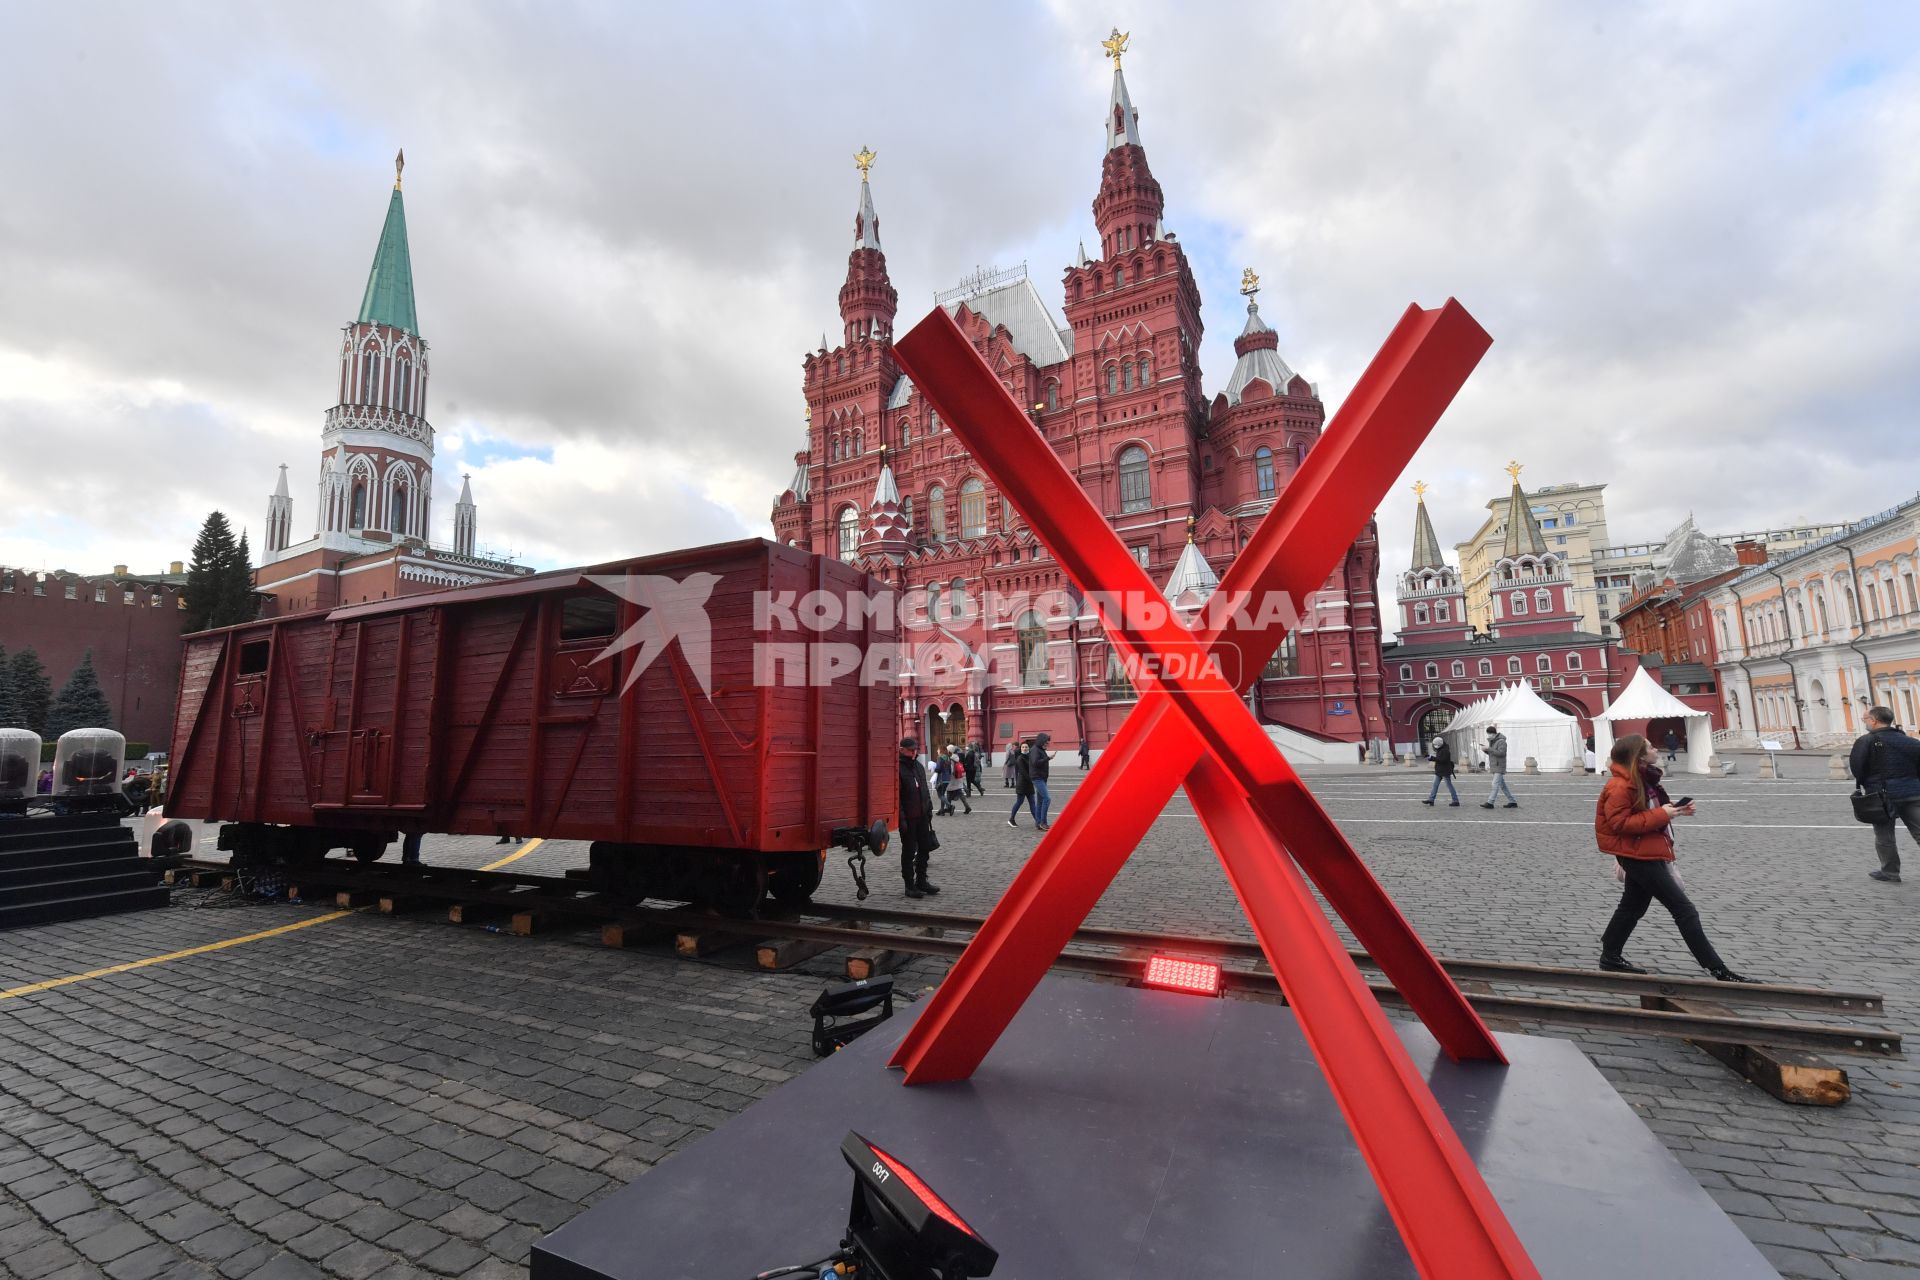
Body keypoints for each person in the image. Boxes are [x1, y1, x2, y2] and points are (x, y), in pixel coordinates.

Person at [1595, 734, 1753, 982]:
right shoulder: (1620, 785)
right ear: (1639, 755)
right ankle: (1717, 968)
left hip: (1645, 849)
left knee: (1632, 906)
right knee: (1684, 910)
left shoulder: (1643, 779)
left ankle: (1610, 955)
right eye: (1650, 746)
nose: (1655, 748)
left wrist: (1675, 811)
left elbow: (1650, 813)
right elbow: (1619, 823)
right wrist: (1662, 814)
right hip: (1638, 854)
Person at [1849, 705, 1920, 884]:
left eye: (1865, 719)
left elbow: (1857, 767)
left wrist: (1868, 783)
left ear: (1874, 720)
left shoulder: (1865, 741)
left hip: (1881, 795)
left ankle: (1890, 872)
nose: (1865, 722)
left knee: (1884, 835)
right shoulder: (1910, 741)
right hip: (1912, 791)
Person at [897, 736, 939, 898]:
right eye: (911, 750)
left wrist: (929, 809)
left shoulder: (919, 767)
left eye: (916, 749)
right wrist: (902, 819)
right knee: (908, 852)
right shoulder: (898, 768)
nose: (914, 752)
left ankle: (921, 880)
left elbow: (925, 790)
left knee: (925, 848)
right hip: (908, 818)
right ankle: (909, 885)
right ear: (902, 750)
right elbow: (897, 797)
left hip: (922, 815)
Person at [1479, 725, 1516, 809]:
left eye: (1489, 734)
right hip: (1495, 765)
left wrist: (1489, 749)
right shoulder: (1493, 741)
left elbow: (1501, 753)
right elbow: (1493, 753)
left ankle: (1490, 802)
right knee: (1503, 786)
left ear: (1493, 733)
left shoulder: (1501, 741)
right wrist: (1486, 750)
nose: (1488, 735)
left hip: (1499, 766)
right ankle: (1512, 801)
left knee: (1494, 784)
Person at [1007, 741, 1042, 828]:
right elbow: (1023, 772)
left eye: (1026, 747)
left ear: (1028, 748)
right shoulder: (1020, 758)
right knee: (1019, 802)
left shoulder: (1030, 757)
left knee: (1033, 804)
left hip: (1029, 784)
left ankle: (1038, 822)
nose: (1025, 748)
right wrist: (1033, 780)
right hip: (1022, 784)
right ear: (1021, 748)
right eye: (1023, 747)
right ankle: (1011, 819)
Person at [1421, 736, 1459, 807]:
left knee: (1449, 786)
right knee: (1435, 785)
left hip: (1444, 771)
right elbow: (1439, 759)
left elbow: (1442, 760)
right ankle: (1431, 799)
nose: (1435, 747)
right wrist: (1430, 757)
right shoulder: (1442, 749)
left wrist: (1431, 758)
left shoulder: (1445, 750)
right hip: (1439, 770)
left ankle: (1455, 800)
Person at [1030, 732, 1056, 829]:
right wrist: (1048, 758)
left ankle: (1038, 823)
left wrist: (1047, 758)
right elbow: (1035, 763)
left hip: (1041, 778)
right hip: (1038, 778)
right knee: (1047, 799)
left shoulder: (1039, 749)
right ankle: (1043, 822)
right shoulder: (1035, 750)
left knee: (1040, 801)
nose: (1047, 744)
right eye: (1046, 742)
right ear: (1041, 741)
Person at [945, 744, 972, 814]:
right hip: (958, 778)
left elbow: (951, 770)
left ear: (949, 751)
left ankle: (949, 807)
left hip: (953, 778)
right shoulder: (956, 757)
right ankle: (967, 807)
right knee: (959, 793)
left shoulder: (951, 759)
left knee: (949, 792)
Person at [933, 750, 955, 817]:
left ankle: (950, 806)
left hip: (941, 779)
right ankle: (942, 811)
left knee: (940, 795)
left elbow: (938, 769)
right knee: (942, 794)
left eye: (938, 749)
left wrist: (934, 768)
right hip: (947, 778)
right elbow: (950, 770)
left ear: (941, 750)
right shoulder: (948, 758)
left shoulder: (940, 758)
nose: (937, 751)